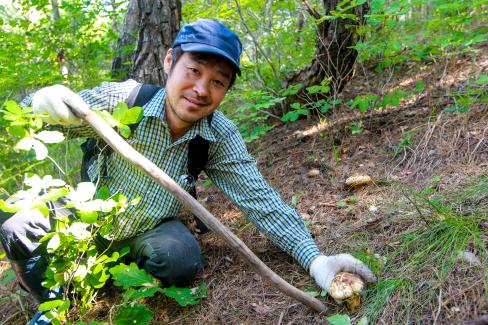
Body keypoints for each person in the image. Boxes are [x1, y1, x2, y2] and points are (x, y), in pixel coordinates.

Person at [0, 19, 375, 324]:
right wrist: (39, 102)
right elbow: (49, 114)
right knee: (16, 220)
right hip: (89, 220)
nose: (201, 89)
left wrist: (315, 261)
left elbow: (262, 203)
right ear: (169, 62)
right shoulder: (123, 100)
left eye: (218, 81)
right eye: (193, 71)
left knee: (180, 260)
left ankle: (117, 273)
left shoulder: (217, 135)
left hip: (151, 228)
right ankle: (51, 305)